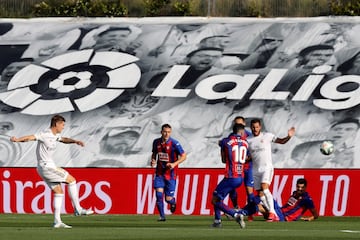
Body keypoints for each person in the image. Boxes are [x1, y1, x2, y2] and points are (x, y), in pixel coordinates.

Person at [10, 114, 94, 228]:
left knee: (59, 192)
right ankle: (78, 209)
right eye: (63, 125)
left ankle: (57, 221)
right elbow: (31, 137)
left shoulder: (55, 135)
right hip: (46, 167)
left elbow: (63, 139)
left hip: (45, 167)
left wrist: (75, 141)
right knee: (72, 180)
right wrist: (18, 139)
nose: (63, 127)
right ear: (57, 124)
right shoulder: (45, 134)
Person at [247, 118, 295, 222]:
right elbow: (251, 156)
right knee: (260, 194)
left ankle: (272, 213)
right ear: (250, 127)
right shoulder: (248, 140)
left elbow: (281, 141)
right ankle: (272, 213)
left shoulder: (267, 136)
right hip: (256, 170)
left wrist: (289, 137)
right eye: (253, 127)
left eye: (257, 127)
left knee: (265, 187)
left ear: (260, 127)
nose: (255, 129)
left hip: (267, 168)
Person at [211, 123, 248, 228]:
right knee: (219, 196)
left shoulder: (226, 141)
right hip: (240, 176)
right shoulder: (246, 142)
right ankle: (217, 221)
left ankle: (235, 214)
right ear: (241, 132)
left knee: (215, 199)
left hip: (231, 176)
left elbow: (220, 145)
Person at [150, 123, 187, 221]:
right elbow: (154, 153)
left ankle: (173, 202)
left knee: (168, 199)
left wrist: (174, 164)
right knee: (158, 195)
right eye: (165, 132)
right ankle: (162, 216)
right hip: (159, 173)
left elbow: (184, 156)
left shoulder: (175, 143)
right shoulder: (156, 142)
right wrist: (153, 160)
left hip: (171, 175)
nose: (167, 134)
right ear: (161, 132)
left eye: (169, 132)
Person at [240, 178, 319, 222]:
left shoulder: (307, 199)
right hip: (279, 210)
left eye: (302, 187)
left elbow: (315, 215)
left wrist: (310, 218)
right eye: (298, 187)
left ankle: (238, 213)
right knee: (259, 198)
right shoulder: (295, 193)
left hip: (283, 217)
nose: (299, 189)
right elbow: (290, 207)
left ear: (305, 187)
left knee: (260, 199)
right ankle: (240, 212)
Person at [225, 116, 255, 222]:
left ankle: (250, 213)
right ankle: (236, 207)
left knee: (249, 191)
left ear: (244, 125)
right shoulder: (231, 137)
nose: (239, 126)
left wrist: (244, 159)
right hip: (236, 168)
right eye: (236, 124)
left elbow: (254, 153)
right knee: (231, 188)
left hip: (247, 167)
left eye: (240, 124)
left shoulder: (250, 137)